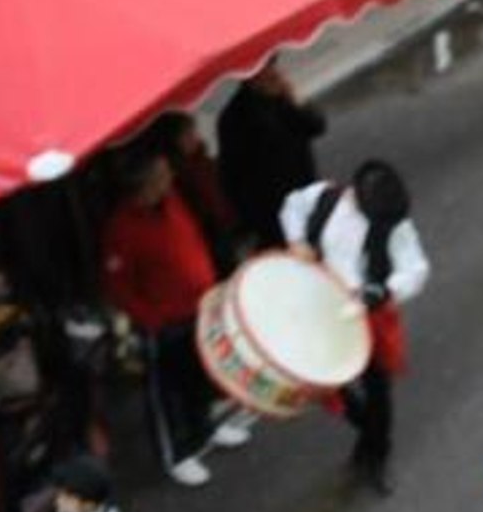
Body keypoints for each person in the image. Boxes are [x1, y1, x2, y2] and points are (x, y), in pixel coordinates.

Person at [280, 160, 430, 496]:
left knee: (378, 387)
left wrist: (386, 289)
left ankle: (376, 454)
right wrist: (297, 241)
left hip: (365, 315)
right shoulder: (323, 198)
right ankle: (369, 434)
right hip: (321, 307)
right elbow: (292, 206)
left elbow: (416, 268)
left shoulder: (394, 224)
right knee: (327, 381)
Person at [102, 150, 249, 487]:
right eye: (163, 175)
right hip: (164, 323)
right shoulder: (122, 229)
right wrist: (150, 318)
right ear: (146, 185)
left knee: (200, 376)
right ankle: (177, 454)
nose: (170, 178)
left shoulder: (172, 202)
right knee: (167, 394)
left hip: (198, 309)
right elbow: (118, 286)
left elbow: (194, 242)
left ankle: (206, 429)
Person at [217, 58, 327, 250]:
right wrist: (254, 222)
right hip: (274, 213)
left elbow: (317, 126)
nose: (275, 72)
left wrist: (295, 100)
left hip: (307, 191)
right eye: (266, 68)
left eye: (272, 66)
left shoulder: (281, 96)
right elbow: (233, 178)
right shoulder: (233, 119)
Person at [149, 112, 240, 277]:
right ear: (174, 142)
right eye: (187, 135)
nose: (194, 138)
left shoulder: (199, 158)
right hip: (207, 232)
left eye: (193, 132)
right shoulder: (177, 175)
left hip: (221, 223)